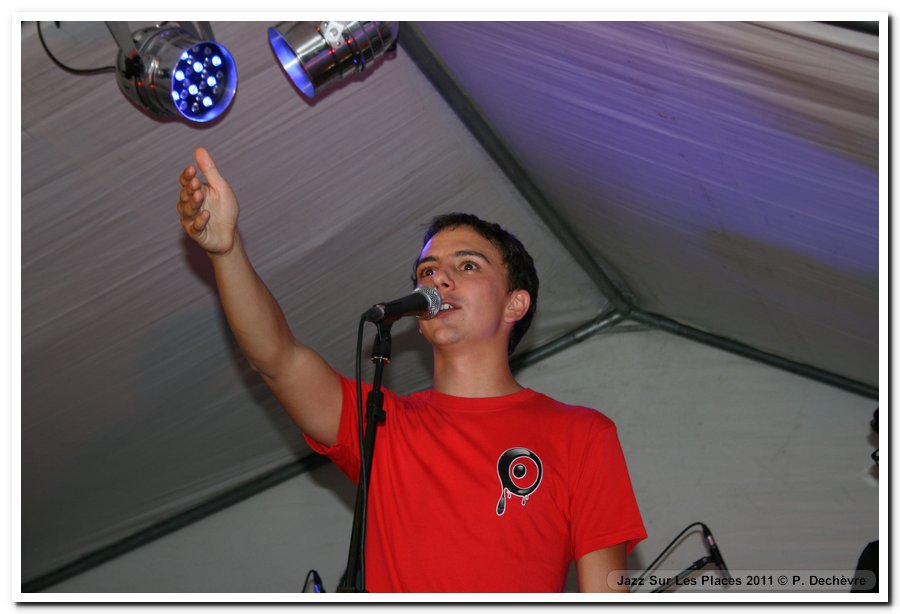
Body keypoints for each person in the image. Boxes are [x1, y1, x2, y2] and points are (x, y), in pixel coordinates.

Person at [177, 147, 646, 592]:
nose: (439, 279)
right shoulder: (382, 423)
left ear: (514, 304)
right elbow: (276, 358)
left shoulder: (581, 434)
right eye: (427, 271)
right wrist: (226, 252)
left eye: (467, 265)